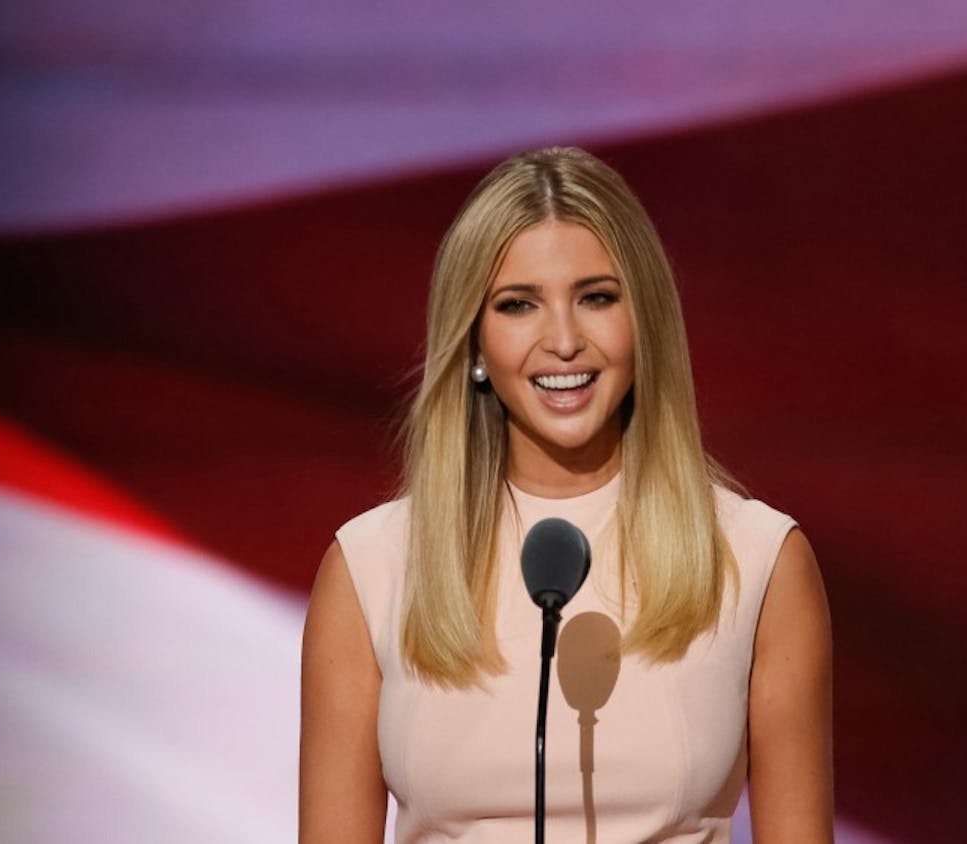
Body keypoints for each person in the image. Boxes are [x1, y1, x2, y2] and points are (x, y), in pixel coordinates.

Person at [300, 146, 833, 843]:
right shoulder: (371, 570)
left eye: (597, 298)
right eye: (519, 305)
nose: (562, 341)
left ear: (645, 323)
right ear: (476, 345)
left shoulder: (756, 561)